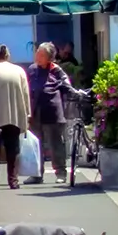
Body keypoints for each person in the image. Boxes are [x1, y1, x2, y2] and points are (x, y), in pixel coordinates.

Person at [0, 45, 31, 191]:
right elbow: (26, 93)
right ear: (7, 55)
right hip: (15, 116)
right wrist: (27, 114)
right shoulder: (19, 70)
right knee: (13, 149)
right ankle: (13, 181)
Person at [28, 42, 76, 186]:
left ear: (50, 58)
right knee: (36, 145)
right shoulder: (32, 69)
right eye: (37, 53)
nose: (38, 56)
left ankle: (61, 173)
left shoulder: (56, 70)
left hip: (53, 112)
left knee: (56, 145)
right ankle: (36, 174)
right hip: (36, 112)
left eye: (42, 55)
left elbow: (67, 86)